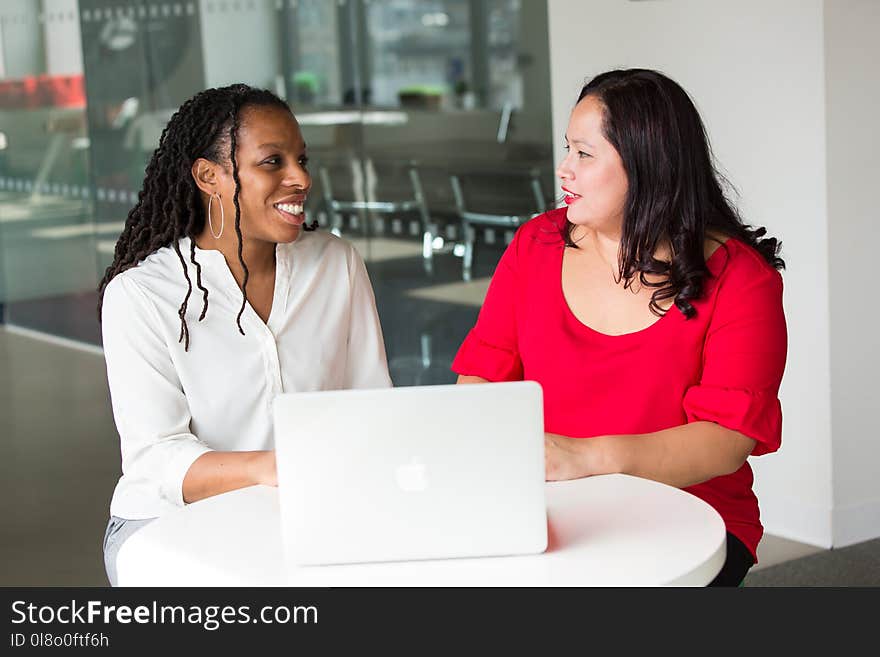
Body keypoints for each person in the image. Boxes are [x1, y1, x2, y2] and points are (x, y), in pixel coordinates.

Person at [452, 69, 787, 586]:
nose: (565, 170)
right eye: (567, 149)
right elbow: (483, 376)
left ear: (648, 165)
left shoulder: (742, 277)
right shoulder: (535, 244)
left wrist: (587, 457)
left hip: (690, 515)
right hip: (553, 503)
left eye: (584, 155)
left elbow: (726, 440)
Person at [97, 84, 391, 586]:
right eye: (272, 162)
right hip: (169, 519)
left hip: (309, 508)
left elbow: (371, 402)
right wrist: (271, 469)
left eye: (301, 159)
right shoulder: (141, 294)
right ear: (209, 177)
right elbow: (155, 459)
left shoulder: (335, 263)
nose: (300, 178)